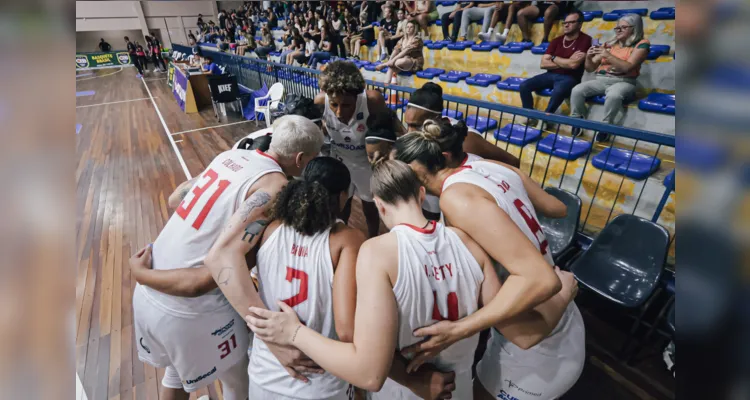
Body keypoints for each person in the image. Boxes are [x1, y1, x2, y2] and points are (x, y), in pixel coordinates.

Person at [246, 159, 576, 400]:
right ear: (421, 194)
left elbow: (362, 348)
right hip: (457, 386)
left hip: (402, 388)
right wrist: (562, 296)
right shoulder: (468, 242)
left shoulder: (376, 252)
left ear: (379, 205)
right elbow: (518, 328)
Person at [130, 116, 325, 400]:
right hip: (187, 304)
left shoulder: (230, 156)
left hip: (150, 292)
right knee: (238, 385)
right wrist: (273, 339)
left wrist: (143, 276)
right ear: (299, 159)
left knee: (174, 373)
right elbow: (207, 275)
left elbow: (175, 199)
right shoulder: (275, 187)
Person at [391, 120, 584, 400]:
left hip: (535, 334)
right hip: (553, 314)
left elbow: (539, 292)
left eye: (412, 175)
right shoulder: (491, 167)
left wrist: (458, 330)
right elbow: (556, 208)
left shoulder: (455, 198)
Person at [247, 157, 366, 399]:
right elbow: (347, 331)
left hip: (265, 373)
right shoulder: (347, 240)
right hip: (320, 382)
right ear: (343, 196)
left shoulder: (269, 229)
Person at [314, 61, 394, 238]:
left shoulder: (373, 100)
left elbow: (390, 126)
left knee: (370, 208)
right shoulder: (320, 101)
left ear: (358, 97)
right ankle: (344, 238)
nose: (339, 113)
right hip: (339, 160)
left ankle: (373, 238)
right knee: (341, 205)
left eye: (346, 105)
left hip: (366, 163)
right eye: (334, 105)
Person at [570, 13, 650, 141]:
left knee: (614, 95)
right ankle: (577, 120)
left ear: (634, 28)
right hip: (601, 80)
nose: (618, 30)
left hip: (625, 81)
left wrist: (608, 55)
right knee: (577, 90)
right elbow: (590, 68)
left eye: (623, 27)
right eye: (617, 28)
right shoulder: (610, 44)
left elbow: (627, 67)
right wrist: (589, 57)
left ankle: (605, 126)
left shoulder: (642, 44)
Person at [518, 11, 592, 127]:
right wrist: (566, 61)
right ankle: (529, 116)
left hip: (570, 77)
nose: (566, 25)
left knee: (559, 91)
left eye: (571, 22)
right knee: (524, 86)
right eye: (565, 23)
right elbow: (543, 64)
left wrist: (554, 58)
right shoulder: (556, 40)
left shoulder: (585, 40)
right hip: (550, 75)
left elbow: (574, 66)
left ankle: (545, 119)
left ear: (579, 24)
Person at [376, 20, 424, 85]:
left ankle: (385, 65)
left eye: (411, 27)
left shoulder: (417, 39)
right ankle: (385, 86)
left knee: (401, 61)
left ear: (415, 29)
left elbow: (406, 51)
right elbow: (396, 50)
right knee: (391, 67)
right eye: (407, 27)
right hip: (402, 61)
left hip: (415, 63)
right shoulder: (403, 38)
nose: (408, 29)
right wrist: (390, 61)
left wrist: (385, 64)